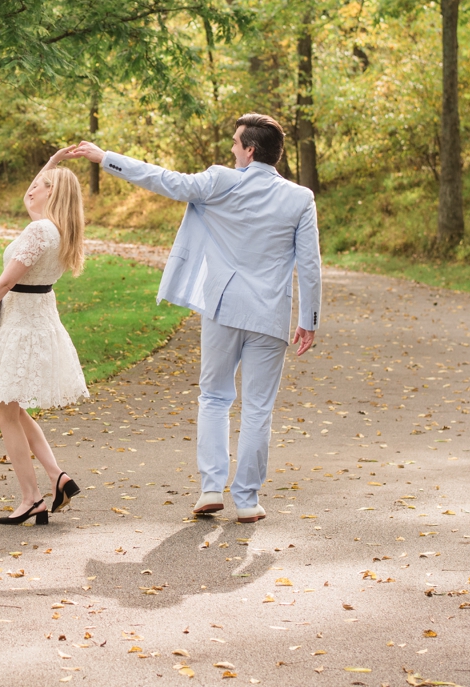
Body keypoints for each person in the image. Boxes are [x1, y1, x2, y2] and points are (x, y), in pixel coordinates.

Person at [71, 114, 320, 523]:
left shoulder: (219, 181)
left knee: (215, 398)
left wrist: (106, 158)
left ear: (250, 150)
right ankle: (247, 500)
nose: (232, 151)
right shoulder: (299, 198)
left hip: (223, 308)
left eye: (236, 144)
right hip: (270, 315)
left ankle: (210, 488)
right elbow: (309, 264)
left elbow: (164, 180)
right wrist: (308, 319)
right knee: (258, 409)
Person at [0, 149, 88, 525]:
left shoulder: (40, 231)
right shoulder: (56, 229)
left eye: (40, 186)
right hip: (33, 320)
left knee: (4, 409)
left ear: (52, 194)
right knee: (13, 407)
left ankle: (31, 498)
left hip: (22, 327)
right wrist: (53, 162)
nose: (30, 190)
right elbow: (36, 193)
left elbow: (5, 282)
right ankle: (57, 477)